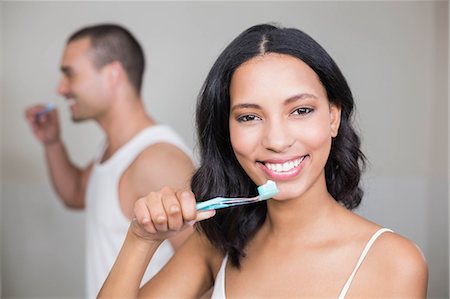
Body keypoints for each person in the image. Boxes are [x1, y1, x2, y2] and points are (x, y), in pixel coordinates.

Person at [98, 23, 428, 298]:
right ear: (226, 130)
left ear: (333, 116)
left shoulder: (393, 261)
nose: (277, 140)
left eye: (301, 110)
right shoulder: (215, 245)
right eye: (249, 117)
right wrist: (141, 239)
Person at [24, 24, 195, 298]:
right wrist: (52, 142)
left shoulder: (158, 160)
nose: (61, 88)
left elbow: (205, 270)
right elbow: (76, 193)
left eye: (70, 74)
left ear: (113, 74)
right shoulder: (115, 148)